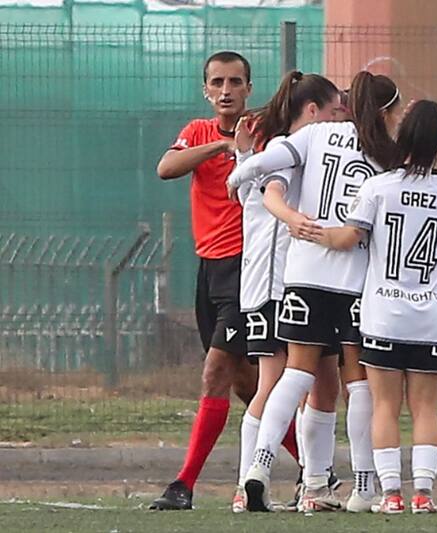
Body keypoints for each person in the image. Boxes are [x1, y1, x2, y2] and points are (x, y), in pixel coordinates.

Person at [308, 100, 437, 514]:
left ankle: (391, 493)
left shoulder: (378, 188)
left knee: (385, 405)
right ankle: (424, 493)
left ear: (401, 139)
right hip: (431, 319)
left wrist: (310, 233)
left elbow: (348, 239)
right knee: (426, 407)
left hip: (382, 316)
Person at [227, 70, 404, 513]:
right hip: (357, 278)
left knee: (297, 375)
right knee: (357, 381)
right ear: (386, 112)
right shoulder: (387, 153)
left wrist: (237, 175)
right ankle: (364, 486)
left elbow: (265, 166)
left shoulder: (319, 134)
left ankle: (261, 467)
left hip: (304, 273)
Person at [227, 71, 342, 512]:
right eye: (332, 112)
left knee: (304, 384)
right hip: (288, 285)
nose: (338, 122)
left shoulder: (267, 150)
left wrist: (240, 162)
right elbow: (272, 201)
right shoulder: (293, 153)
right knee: (292, 383)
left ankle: (290, 484)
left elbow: (246, 195)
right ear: (312, 112)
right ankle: (303, 484)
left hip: (260, 285)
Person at [149, 51, 260, 511]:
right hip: (208, 268)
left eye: (235, 82)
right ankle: (318, 475)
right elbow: (166, 168)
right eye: (217, 82)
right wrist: (220, 145)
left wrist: (245, 146)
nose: (226, 90)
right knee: (247, 385)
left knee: (215, 372)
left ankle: (184, 484)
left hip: (245, 267)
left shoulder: (262, 131)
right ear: (206, 89)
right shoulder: (198, 133)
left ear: (249, 88)